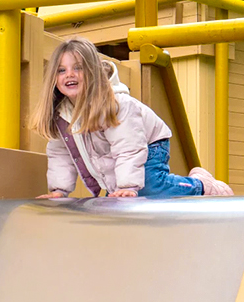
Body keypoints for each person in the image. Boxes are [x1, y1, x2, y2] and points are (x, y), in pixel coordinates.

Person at [30, 37, 232, 199]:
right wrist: (59, 190)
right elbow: (62, 155)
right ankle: (127, 185)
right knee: (117, 197)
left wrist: (128, 186)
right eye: (61, 70)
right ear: (53, 79)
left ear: (93, 72)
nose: (69, 75)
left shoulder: (116, 104)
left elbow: (128, 146)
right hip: (120, 154)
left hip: (148, 141)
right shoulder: (62, 115)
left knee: (150, 187)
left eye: (78, 68)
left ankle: (202, 185)